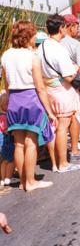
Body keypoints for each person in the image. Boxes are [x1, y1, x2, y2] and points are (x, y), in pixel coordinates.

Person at [1, 20, 56, 191]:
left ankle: (24, 180)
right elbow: (40, 87)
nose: (34, 38)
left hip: (14, 101)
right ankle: (30, 181)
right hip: (30, 99)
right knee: (31, 142)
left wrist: (8, 99)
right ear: (28, 36)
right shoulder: (32, 56)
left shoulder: (6, 55)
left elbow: (7, 83)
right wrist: (50, 111)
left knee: (18, 144)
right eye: (33, 35)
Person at [38, 14, 80, 173]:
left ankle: (56, 162)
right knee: (62, 126)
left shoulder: (41, 46)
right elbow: (69, 76)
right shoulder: (59, 49)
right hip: (62, 90)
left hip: (48, 90)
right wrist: (77, 71)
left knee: (54, 126)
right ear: (62, 28)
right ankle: (63, 163)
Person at [60, 14, 80, 159]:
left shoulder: (52, 43)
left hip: (54, 87)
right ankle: (74, 149)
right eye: (77, 26)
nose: (78, 29)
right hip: (71, 86)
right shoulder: (75, 44)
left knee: (59, 122)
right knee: (74, 118)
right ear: (70, 26)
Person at [0, 93, 14, 187]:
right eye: (7, 104)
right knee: (11, 160)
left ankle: (2, 178)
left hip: (2, 140)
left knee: (3, 160)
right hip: (7, 140)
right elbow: (6, 130)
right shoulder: (5, 117)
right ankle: (7, 178)